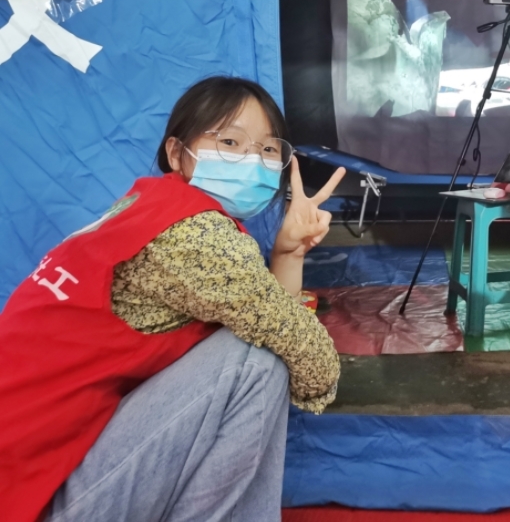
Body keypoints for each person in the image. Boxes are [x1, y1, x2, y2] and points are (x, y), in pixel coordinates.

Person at [0, 76, 347, 522]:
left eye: (267, 149)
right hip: (36, 497)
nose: (251, 160)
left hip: (43, 470)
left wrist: (288, 252)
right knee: (255, 359)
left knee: (255, 342)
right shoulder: (198, 236)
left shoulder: (147, 205)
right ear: (177, 153)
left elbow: (270, 318)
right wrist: (307, 350)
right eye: (229, 142)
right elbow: (311, 363)